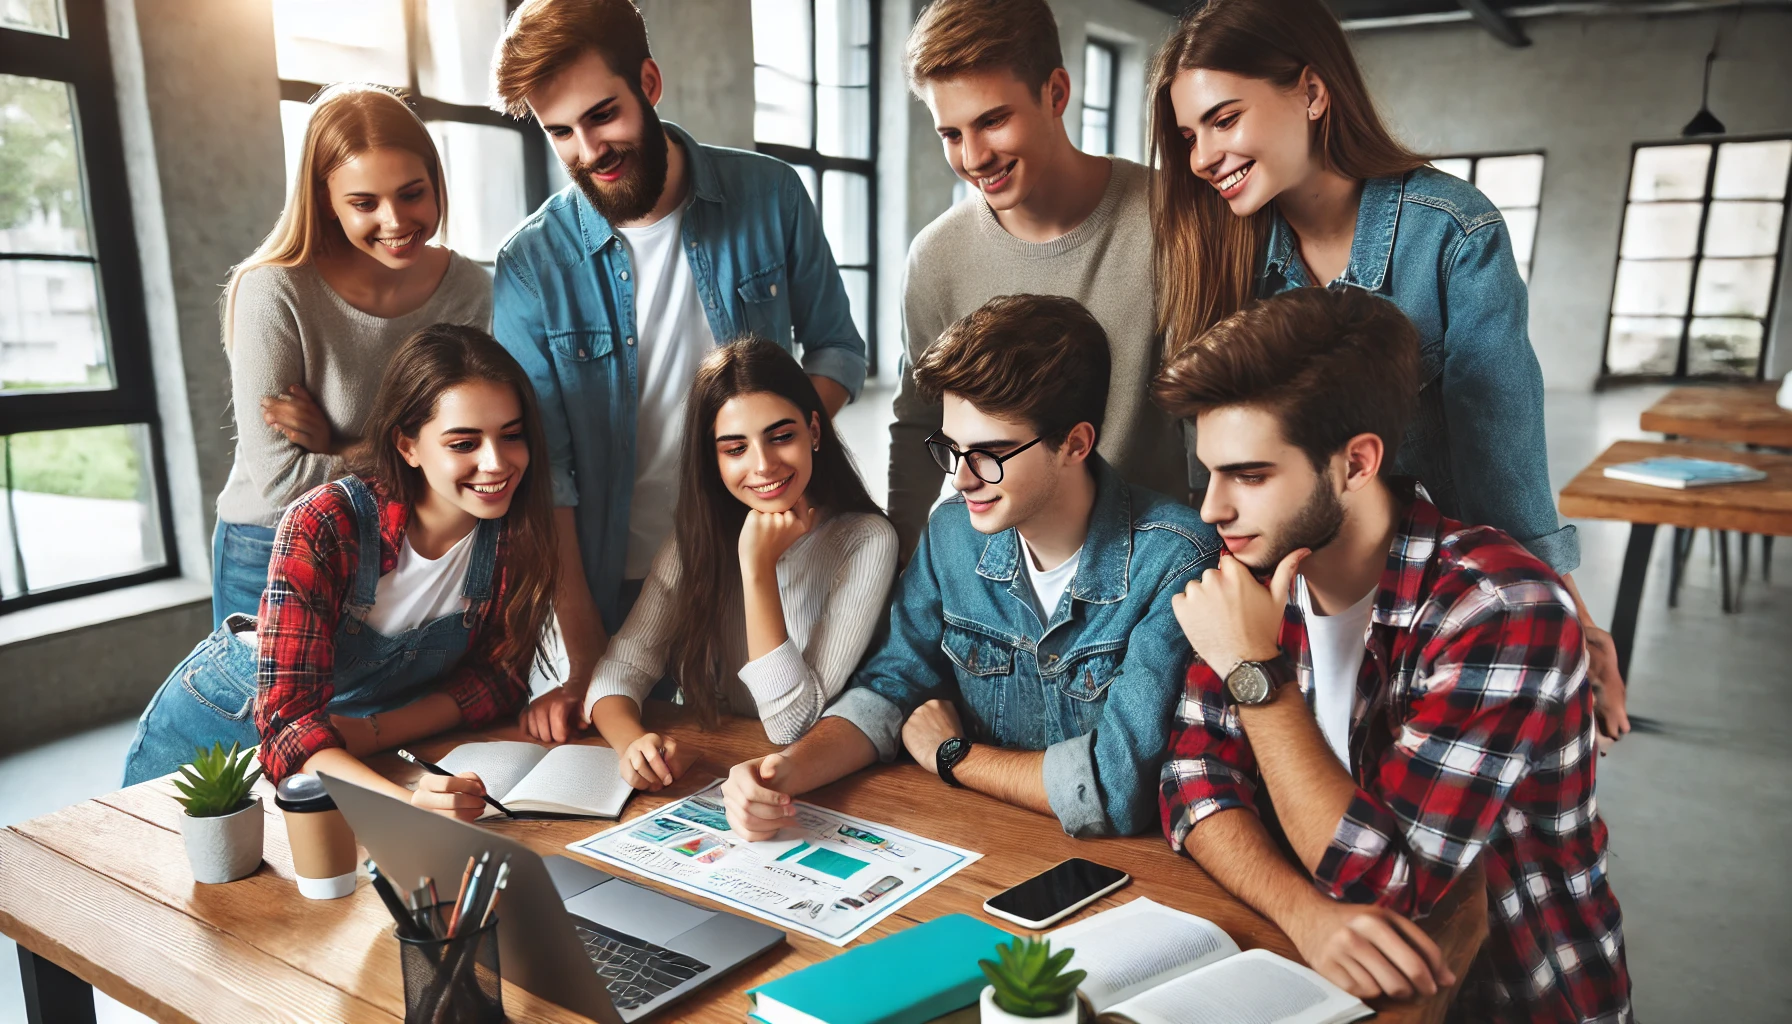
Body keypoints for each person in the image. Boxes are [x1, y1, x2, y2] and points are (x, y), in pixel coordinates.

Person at [1146, 0, 1630, 744]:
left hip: (1432, 595)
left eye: (1224, 119)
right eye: (1187, 136)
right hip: (1291, 599)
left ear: (1311, 93)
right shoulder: (1214, 253)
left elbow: (1503, 464)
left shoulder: (1453, 235)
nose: (1204, 156)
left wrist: (1563, 621)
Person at [1154, 288, 1630, 1021]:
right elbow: (1191, 782)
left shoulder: (1501, 608)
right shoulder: (1252, 575)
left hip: (1507, 994)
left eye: (1250, 476)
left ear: (1357, 463)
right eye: (1210, 473)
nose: (1213, 509)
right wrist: (1306, 917)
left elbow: (1382, 885)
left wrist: (1256, 674)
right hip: (1329, 973)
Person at [490, 0, 868, 744]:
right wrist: (584, 642)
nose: (587, 148)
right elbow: (550, 476)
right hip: (611, 576)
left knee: (760, 760)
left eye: (603, 115)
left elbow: (836, 351)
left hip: (763, 557)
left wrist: (768, 461)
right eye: (559, 131)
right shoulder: (530, 264)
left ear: (650, 82)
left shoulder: (770, 196)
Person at [721, 295, 1222, 840]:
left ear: (1074, 444)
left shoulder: (1177, 560)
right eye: (952, 449)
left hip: (1126, 875)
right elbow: (890, 689)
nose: (961, 478)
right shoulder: (953, 534)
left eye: (990, 454)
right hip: (979, 839)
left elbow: (1112, 789)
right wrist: (785, 772)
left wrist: (952, 755)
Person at [124, 324, 557, 824]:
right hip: (221, 726)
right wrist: (406, 802)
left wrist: (376, 731)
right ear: (408, 447)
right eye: (463, 443)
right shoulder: (326, 522)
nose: (496, 463)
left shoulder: (513, 531)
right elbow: (290, 726)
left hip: (346, 750)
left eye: (512, 435)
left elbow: (496, 679)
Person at [887, 0, 1188, 563]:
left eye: (992, 120)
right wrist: (898, 564)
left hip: (1154, 565)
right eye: (950, 133)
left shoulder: (1172, 221)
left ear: (1055, 93)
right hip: (1000, 581)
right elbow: (918, 422)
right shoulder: (936, 257)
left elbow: (1207, 415)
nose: (974, 157)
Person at [211, 83, 493, 629]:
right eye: (364, 203)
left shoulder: (467, 288)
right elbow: (284, 481)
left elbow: (464, 445)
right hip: (270, 542)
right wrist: (399, 450)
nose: (395, 221)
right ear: (325, 201)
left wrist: (337, 444)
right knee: (267, 714)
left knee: (375, 714)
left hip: (398, 540)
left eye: (412, 193)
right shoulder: (275, 290)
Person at [581, 339, 897, 789]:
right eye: (735, 449)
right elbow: (620, 669)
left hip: (824, 784)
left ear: (814, 431)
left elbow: (792, 727)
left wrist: (757, 567)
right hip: (722, 768)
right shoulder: (695, 542)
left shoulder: (865, 541)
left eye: (781, 437)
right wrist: (634, 744)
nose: (764, 465)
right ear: (713, 460)